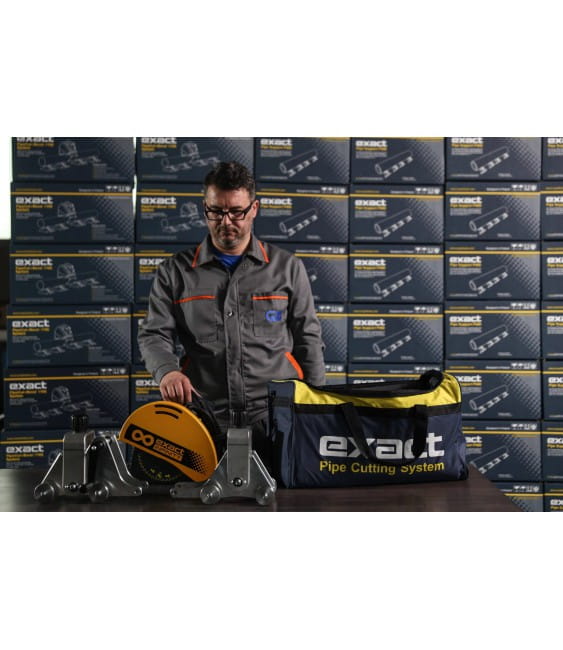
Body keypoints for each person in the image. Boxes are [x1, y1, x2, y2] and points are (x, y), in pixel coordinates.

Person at [138, 161, 326, 462]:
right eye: (216, 211)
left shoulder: (287, 268)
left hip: (277, 417)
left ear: (254, 209)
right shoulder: (175, 272)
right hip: (205, 420)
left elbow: (309, 340)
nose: (226, 221)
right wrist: (167, 372)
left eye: (237, 212)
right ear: (205, 209)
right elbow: (153, 334)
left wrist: (317, 409)